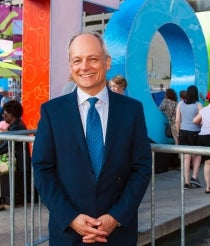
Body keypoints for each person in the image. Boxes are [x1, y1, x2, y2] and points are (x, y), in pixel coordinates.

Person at [32, 32, 152, 245]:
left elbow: (141, 168)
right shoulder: (52, 112)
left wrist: (116, 217)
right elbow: (42, 170)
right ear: (71, 66)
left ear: (107, 63)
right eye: (77, 60)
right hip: (68, 234)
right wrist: (70, 218)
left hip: (118, 234)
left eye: (93, 59)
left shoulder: (131, 110)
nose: (84, 66)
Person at [0, 100, 32, 211]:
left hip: (20, 165)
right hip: (20, 163)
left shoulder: (16, 127)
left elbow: (5, 146)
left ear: (11, 114)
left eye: (4, 113)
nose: (3, 115)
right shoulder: (17, 125)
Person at [175, 85, 202, 189]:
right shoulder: (198, 105)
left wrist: (178, 133)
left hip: (183, 132)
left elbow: (177, 120)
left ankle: (186, 182)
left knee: (186, 157)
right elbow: (201, 121)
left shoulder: (180, 104)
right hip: (195, 132)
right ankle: (194, 177)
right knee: (197, 155)